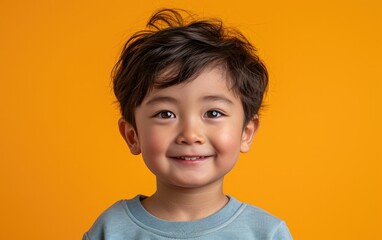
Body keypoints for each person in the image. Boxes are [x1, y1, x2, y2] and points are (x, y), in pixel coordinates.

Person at [83, 8, 293, 240]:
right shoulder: (109, 230)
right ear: (132, 136)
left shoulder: (266, 233)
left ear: (246, 132)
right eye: (165, 114)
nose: (190, 134)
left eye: (213, 113)